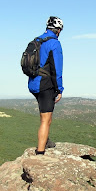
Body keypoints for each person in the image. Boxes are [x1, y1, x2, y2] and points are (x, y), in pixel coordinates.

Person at [28, 16, 64, 155]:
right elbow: (57, 69)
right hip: (45, 84)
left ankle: (46, 140)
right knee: (46, 118)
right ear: (58, 30)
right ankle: (40, 152)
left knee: (45, 114)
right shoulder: (54, 43)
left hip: (33, 83)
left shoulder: (37, 40)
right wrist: (59, 89)